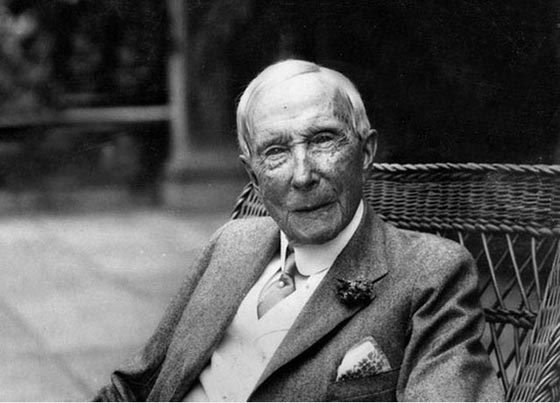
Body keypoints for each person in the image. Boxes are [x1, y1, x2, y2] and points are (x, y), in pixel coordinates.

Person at [94, 59, 503, 401]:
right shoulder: (231, 243)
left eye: (323, 140)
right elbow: (132, 387)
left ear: (365, 152)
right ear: (253, 177)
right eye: (276, 152)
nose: (303, 175)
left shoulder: (430, 273)